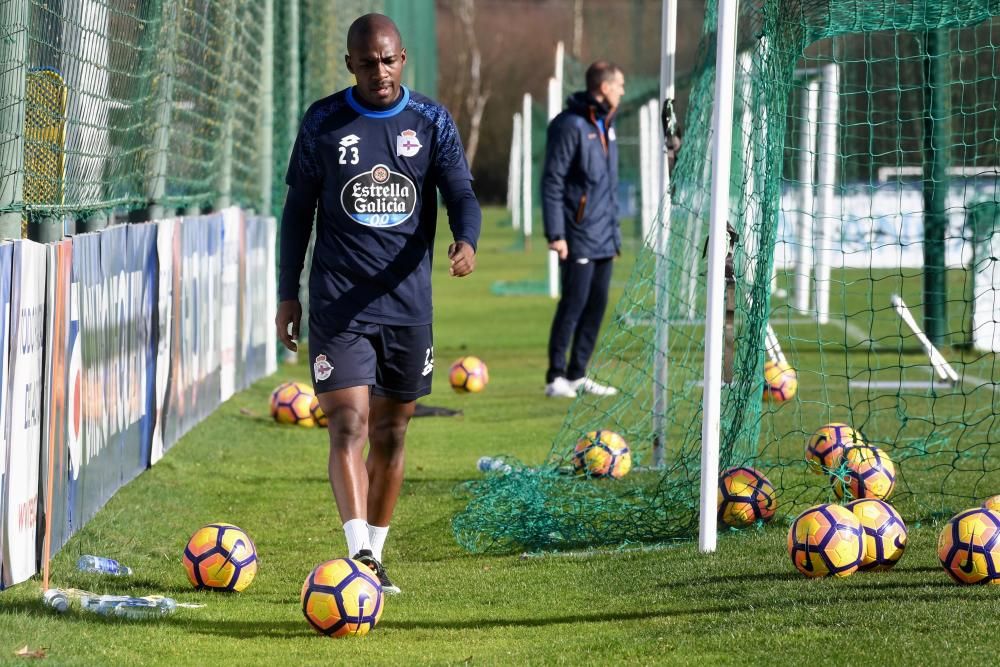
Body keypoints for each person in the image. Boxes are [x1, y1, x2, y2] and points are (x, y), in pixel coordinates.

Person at [275, 13, 480, 594]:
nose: (380, 72)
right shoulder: (323, 121)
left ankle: (378, 553)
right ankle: (359, 554)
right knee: (348, 424)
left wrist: (467, 240)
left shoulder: (431, 121)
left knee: (392, 434)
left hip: (408, 305)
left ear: (403, 58)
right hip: (338, 301)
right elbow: (297, 214)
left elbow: (461, 191)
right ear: (350, 65)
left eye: (388, 61)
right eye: (367, 63)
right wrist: (288, 292)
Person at [541, 61, 625, 398]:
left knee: (597, 304)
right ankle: (555, 377)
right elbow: (552, 181)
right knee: (573, 303)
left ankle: (578, 373)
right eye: (619, 85)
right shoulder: (570, 125)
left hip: (604, 234)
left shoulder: (606, 124)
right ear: (604, 87)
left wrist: (614, 232)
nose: (622, 91)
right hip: (577, 234)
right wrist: (556, 234)